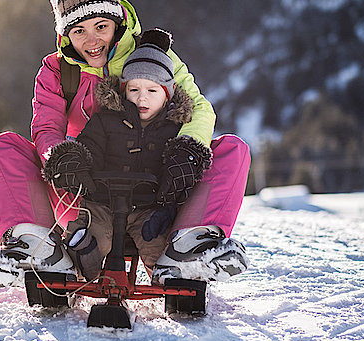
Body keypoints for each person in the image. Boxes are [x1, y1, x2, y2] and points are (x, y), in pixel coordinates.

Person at [0, 0, 250, 288]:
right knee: (5, 147)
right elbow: (46, 128)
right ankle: (38, 248)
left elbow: (197, 107)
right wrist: (61, 157)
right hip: (84, 188)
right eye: (79, 32)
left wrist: (188, 150)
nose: (92, 41)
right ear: (65, 35)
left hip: (157, 181)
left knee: (232, 149)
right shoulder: (58, 72)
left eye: (101, 26)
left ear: (117, 22)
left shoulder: (151, 58)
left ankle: (190, 245)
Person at [42, 29, 248, 282]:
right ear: (123, 89)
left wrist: (170, 202)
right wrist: (80, 163)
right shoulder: (106, 120)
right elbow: (90, 147)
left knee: (155, 247)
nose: (142, 98)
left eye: (152, 91)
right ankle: (75, 264)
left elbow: (179, 175)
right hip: (103, 202)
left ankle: (172, 274)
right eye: (134, 90)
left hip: (149, 208)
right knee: (93, 242)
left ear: (168, 93)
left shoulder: (173, 129)